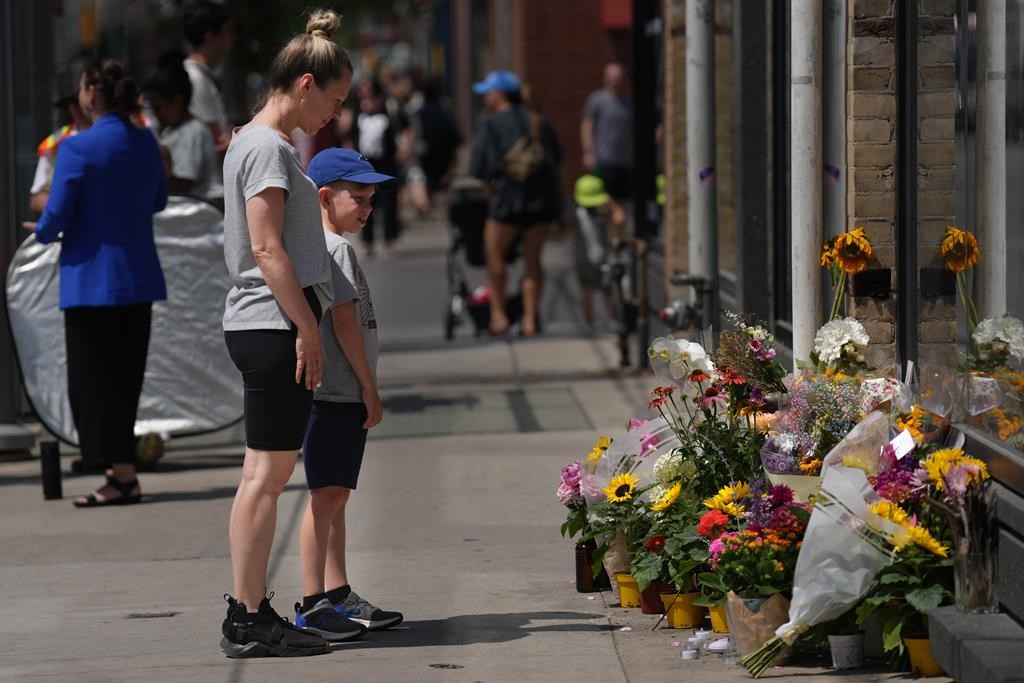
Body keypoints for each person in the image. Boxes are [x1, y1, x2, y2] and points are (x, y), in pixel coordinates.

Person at [219, 9, 361, 658]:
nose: (334, 113)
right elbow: (267, 247)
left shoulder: (257, 142)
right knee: (266, 477)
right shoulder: (268, 147)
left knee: (263, 473)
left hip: (269, 321)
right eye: (334, 99)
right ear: (305, 85)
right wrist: (306, 327)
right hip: (273, 322)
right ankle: (248, 615)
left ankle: (249, 610)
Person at [32, 60, 167, 507]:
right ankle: (121, 473)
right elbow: (158, 200)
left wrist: (42, 230)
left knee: (93, 384)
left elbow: (55, 217)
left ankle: (120, 475)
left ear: (92, 92)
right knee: (124, 381)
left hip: (90, 280)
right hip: (138, 277)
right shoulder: (145, 142)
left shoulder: (77, 148)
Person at [295, 148, 404, 638]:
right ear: (324, 197)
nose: (367, 208)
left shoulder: (322, 244)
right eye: (357, 198)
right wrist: (368, 386)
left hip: (333, 392)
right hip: (337, 390)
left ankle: (337, 594)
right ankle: (312, 602)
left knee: (335, 495)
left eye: (372, 199)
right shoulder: (335, 249)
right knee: (326, 497)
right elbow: (344, 325)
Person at [468, 70, 563, 337]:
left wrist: (491, 197)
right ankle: (530, 320)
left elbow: (480, 169)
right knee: (533, 260)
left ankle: (499, 317)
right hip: (542, 201)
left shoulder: (491, 123)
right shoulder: (538, 119)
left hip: (507, 201)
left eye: (488, 92)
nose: (485, 97)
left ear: (499, 94)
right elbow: (557, 161)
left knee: (494, 255)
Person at [144, 54, 217, 201]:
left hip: (187, 210)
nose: (155, 114)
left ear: (178, 101)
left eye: (158, 108)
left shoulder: (192, 132)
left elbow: (181, 183)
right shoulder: (170, 131)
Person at [182, 0, 234, 202]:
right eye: (227, 31)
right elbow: (219, 142)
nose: (232, 38)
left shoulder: (203, 77)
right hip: (209, 195)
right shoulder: (195, 79)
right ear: (209, 35)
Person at [353, 77, 403, 258]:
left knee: (388, 203)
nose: (363, 91)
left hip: (386, 163)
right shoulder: (359, 108)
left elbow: (405, 127)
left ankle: (389, 241)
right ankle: (368, 242)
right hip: (365, 164)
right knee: (366, 202)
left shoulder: (388, 106)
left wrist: (403, 149)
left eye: (365, 87)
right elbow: (351, 135)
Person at [572, 173, 625, 331]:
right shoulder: (603, 213)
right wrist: (612, 204)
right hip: (601, 257)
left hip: (583, 259)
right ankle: (610, 320)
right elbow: (620, 219)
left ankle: (589, 325)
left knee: (587, 290)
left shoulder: (575, 212)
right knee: (605, 290)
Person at [28, 92, 92, 216]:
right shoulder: (56, 142)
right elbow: (37, 198)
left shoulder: (115, 138)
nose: (75, 108)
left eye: (78, 102)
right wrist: (63, 209)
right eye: (71, 103)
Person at [580, 63, 632, 208]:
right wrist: (588, 152)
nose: (616, 81)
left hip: (625, 159)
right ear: (606, 78)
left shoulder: (629, 102)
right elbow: (587, 126)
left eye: (619, 77)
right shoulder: (597, 100)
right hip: (603, 158)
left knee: (623, 198)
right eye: (613, 77)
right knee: (604, 198)